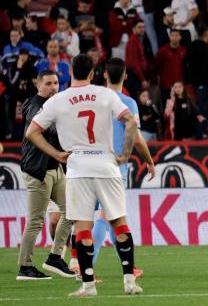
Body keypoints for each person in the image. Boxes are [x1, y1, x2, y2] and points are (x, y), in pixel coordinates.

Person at [24, 54, 141, 296]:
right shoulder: (106, 94)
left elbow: (32, 132)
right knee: (119, 223)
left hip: (77, 167)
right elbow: (130, 121)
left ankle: (87, 285)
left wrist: (56, 154)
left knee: (83, 226)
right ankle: (129, 281)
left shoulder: (59, 100)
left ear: (70, 73)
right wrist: (125, 155)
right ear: (92, 74)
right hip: (107, 165)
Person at [90, 59, 154, 280]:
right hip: (116, 165)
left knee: (110, 216)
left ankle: (129, 266)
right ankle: (85, 264)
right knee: (107, 214)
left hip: (91, 161)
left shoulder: (94, 100)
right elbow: (136, 137)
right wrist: (149, 160)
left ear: (105, 74)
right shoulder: (127, 103)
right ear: (125, 76)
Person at [17, 70, 75, 281]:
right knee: (35, 221)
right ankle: (25, 267)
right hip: (38, 171)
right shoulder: (34, 105)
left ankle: (55, 257)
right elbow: (45, 128)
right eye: (49, 83)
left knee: (72, 210)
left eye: (56, 83)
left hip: (56, 169)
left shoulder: (56, 106)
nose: (53, 87)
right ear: (38, 85)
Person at [155, 29, 187, 107]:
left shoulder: (183, 51)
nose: (174, 38)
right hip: (166, 86)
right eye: (172, 35)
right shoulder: (163, 51)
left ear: (180, 37)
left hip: (179, 87)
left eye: (177, 35)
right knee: (167, 108)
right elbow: (156, 66)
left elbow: (185, 67)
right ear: (169, 37)